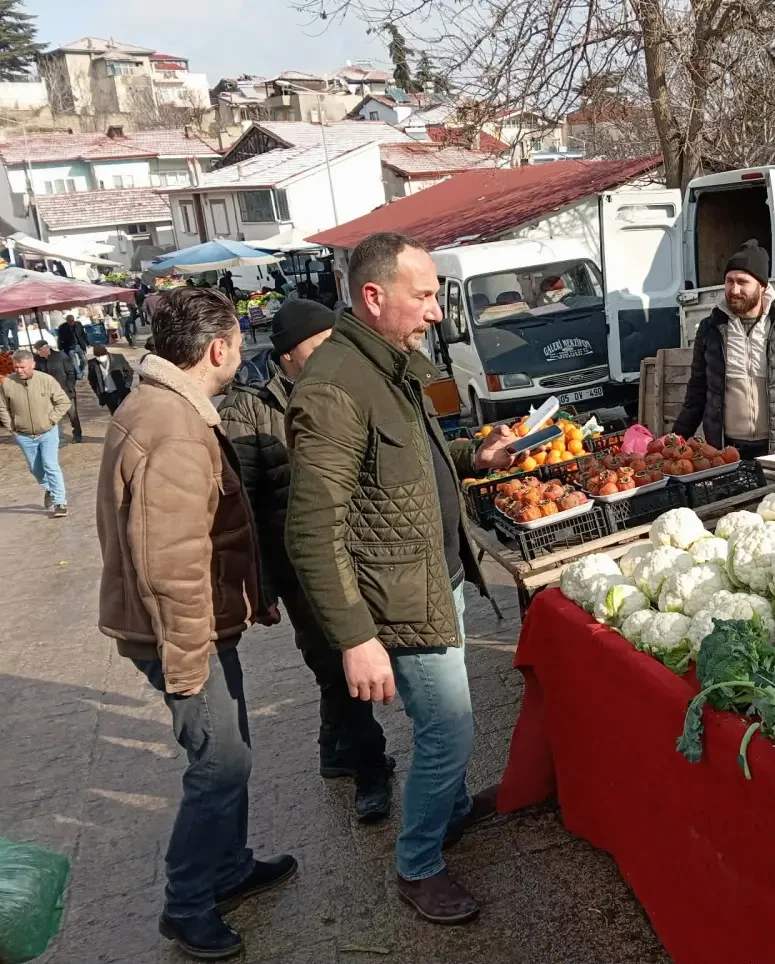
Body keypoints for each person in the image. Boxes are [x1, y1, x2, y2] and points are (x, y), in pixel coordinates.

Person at [285, 232, 517, 925]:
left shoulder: (388, 364)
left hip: (430, 582)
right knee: (450, 731)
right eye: (425, 295)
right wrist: (356, 638)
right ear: (373, 296)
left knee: (443, 724)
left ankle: (446, 811)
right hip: (397, 600)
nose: (438, 311)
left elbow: (403, 464)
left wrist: (474, 454)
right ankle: (419, 864)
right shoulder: (333, 386)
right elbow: (311, 528)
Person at [95, 287, 296, 960]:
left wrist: (251, 593)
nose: (243, 352)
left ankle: (230, 869)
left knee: (229, 752)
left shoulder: (165, 407)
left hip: (206, 622)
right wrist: (187, 667)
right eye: (240, 341)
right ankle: (185, 905)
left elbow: (209, 534)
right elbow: (170, 565)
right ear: (218, 349)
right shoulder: (174, 427)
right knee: (219, 763)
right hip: (183, 635)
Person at [221, 300, 394, 822]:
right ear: (288, 355)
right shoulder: (249, 408)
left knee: (333, 665)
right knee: (338, 664)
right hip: (301, 565)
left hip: (360, 552)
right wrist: (262, 587)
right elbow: (245, 506)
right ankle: (370, 769)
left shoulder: (346, 387)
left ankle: (334, 751)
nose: (328, 354)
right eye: (317, 346)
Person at [673, 240, 775, 458]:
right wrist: (676, 439)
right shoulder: (711, 329)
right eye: (729, 281)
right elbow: (697, 390)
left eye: (743, 282)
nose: (734, 290)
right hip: (726, 450)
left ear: (762, 286)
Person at [0, 349, 70, 517]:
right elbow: (2, 406)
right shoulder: (8, 383)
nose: (19, 370)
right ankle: (49, 489)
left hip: (47, 432)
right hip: (23, 435)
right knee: (36, 469)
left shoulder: (46, 380)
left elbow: (63, 402)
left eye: (22, 367)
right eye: (16, 367)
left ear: (32, 364)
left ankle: (60, 502)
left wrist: (51, 420)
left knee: (50, 465)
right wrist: (12, 427)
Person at [33, 340, 82, 443]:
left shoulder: (60, 356)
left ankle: (77, 434)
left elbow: (71, 372)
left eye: (39, 350)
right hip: (49, 394)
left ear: (46, 348)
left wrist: (69, 387)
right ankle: (59, 438)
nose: (37, 352)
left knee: (72, 415)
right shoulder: (37, 360)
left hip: (66, 392)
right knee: (55, 417)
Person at [86, 344, 134, 413]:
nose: (100, 358)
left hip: (121, 392)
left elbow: (129, 371)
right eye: (97, 356)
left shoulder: (118, 358)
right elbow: (91, 380)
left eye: (101, 355)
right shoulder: (92, 363)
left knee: (126, 413)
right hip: (108, 395)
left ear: (106, 353)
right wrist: (98, 392)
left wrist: (127, 384)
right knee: (114, 415)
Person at [57, 313, 90, 379]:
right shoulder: (62, 327)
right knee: (74, 362)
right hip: (69, 347)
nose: (71, 323)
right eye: (70, 321)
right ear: (67, 321)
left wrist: (87, 342)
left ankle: (79, 370)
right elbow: (60, 338)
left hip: (79, 345)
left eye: (72, 321)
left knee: (84, 360)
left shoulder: (78, 324)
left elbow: (83, 334)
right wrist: (60, 347)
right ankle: (79, 375)